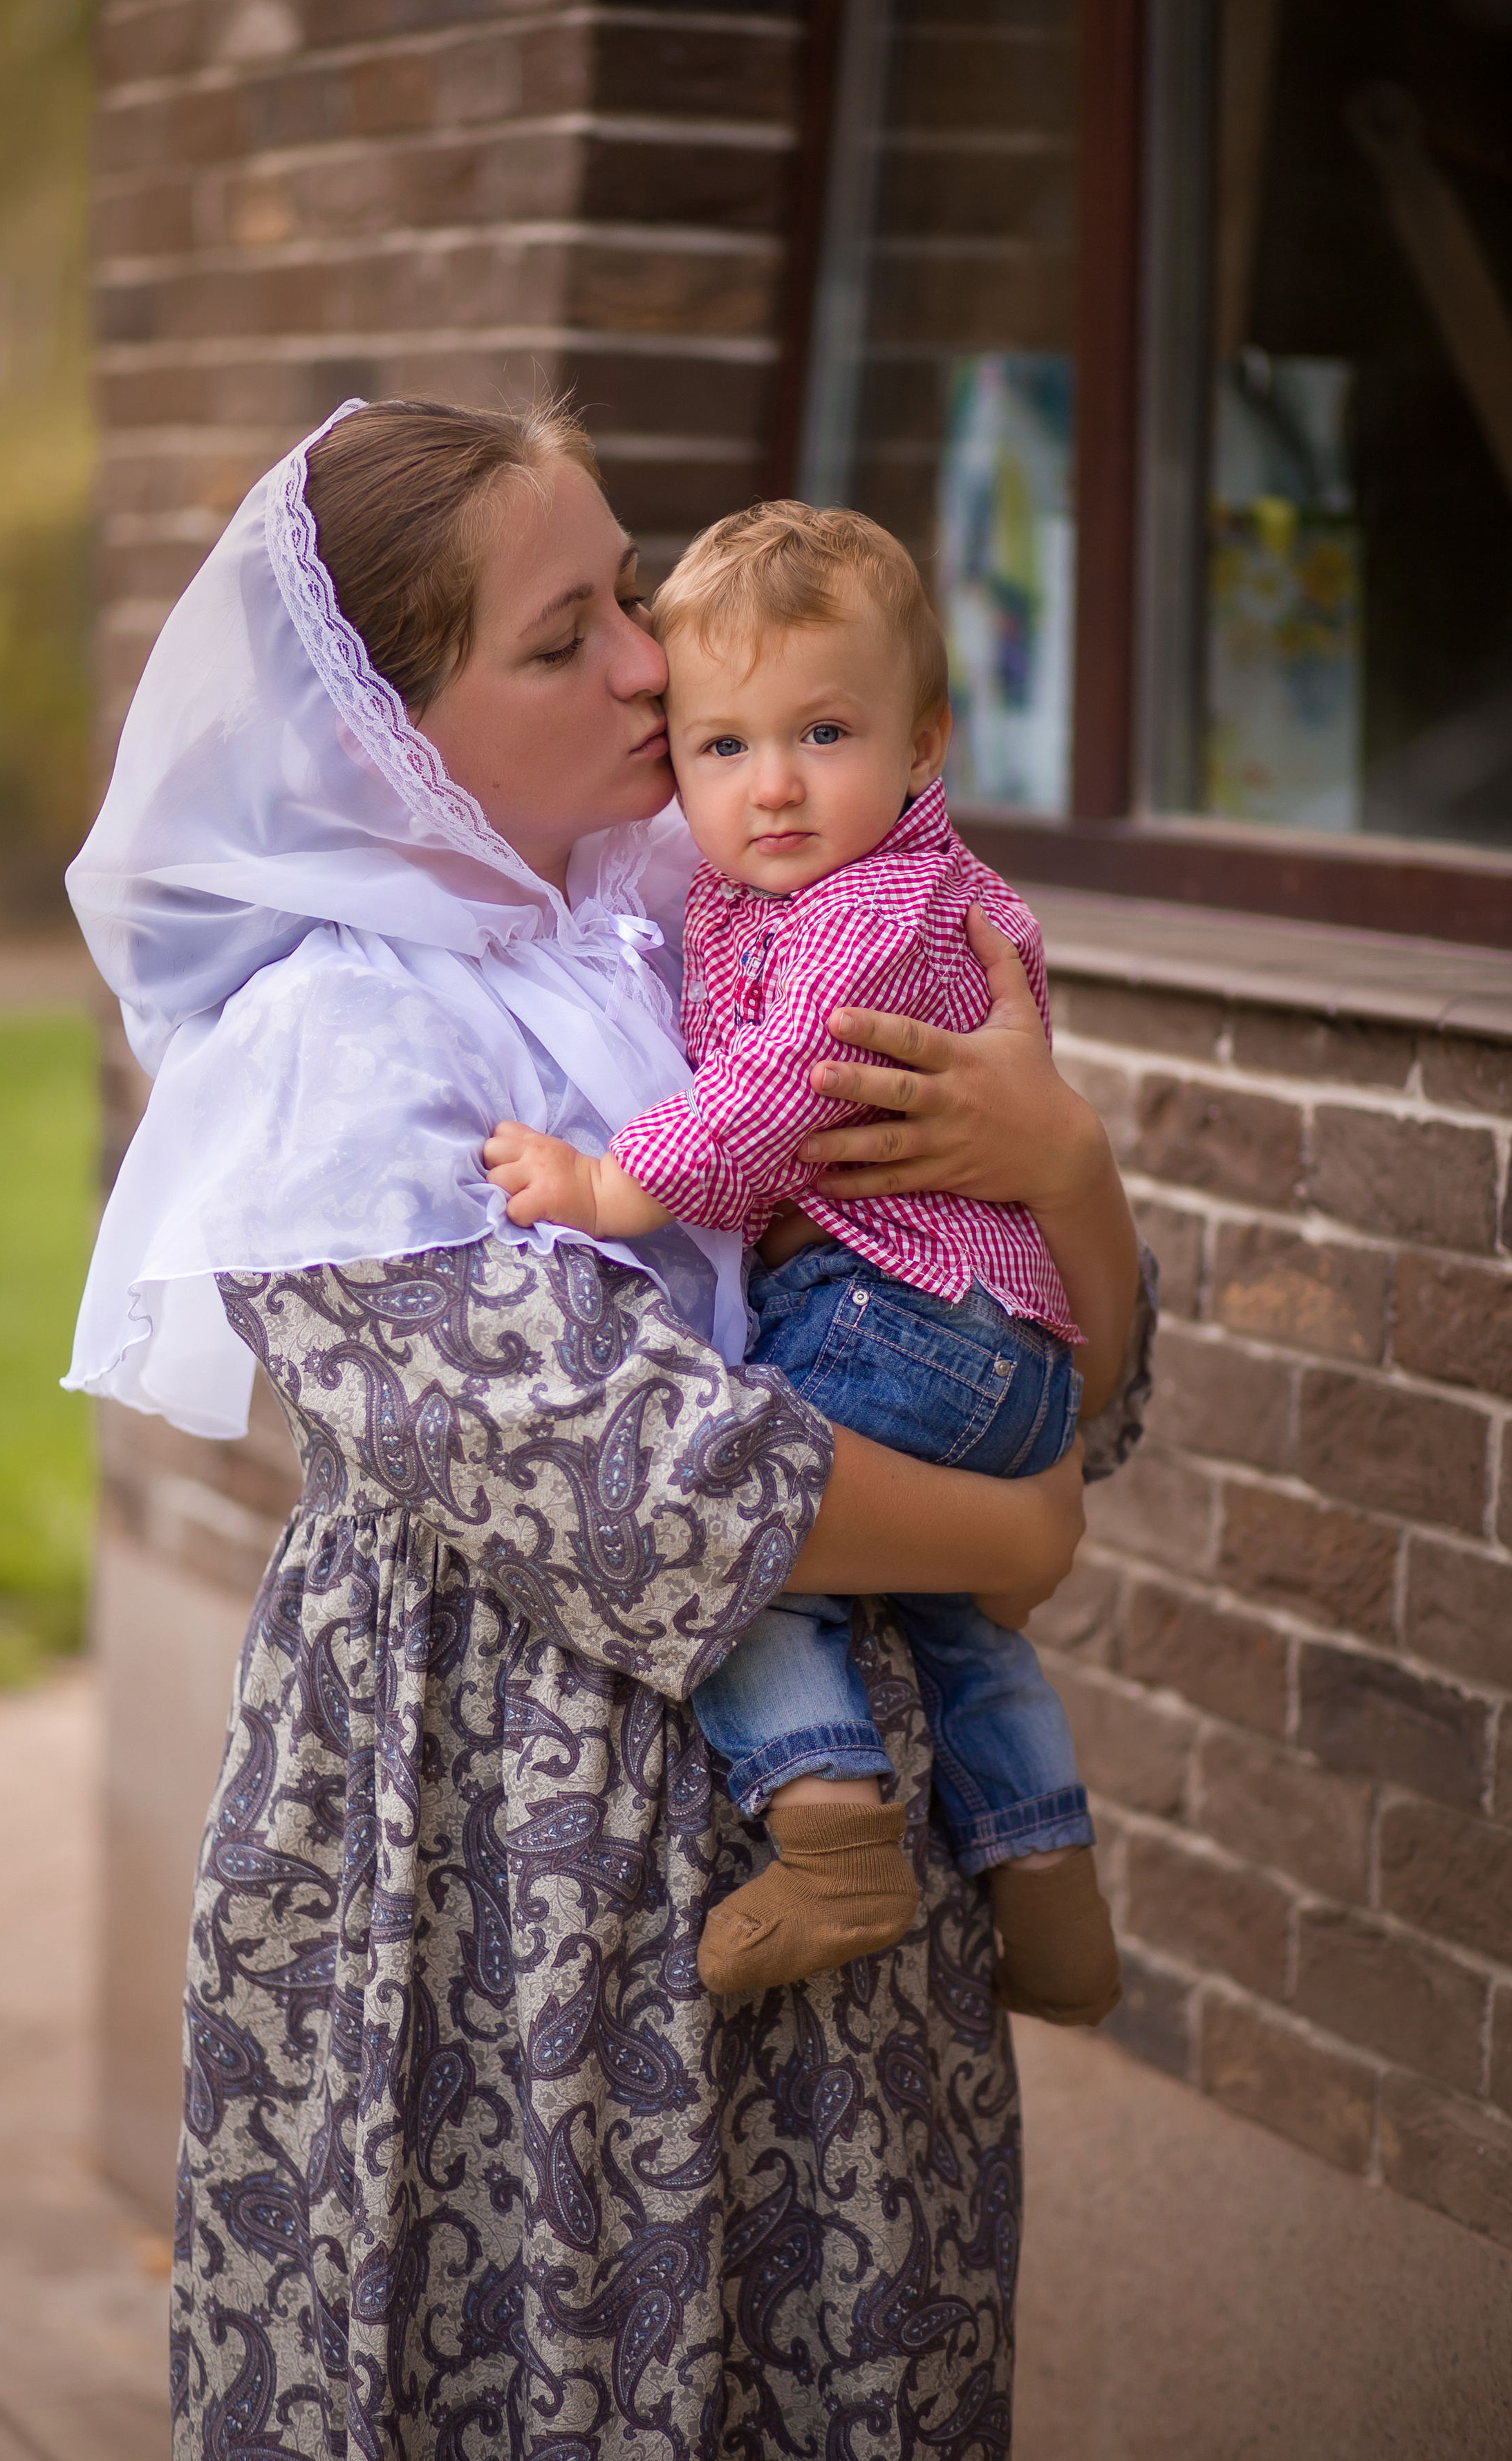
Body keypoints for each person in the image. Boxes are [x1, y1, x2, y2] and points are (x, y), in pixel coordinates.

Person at [64, 394, 1152, 2461]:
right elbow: (642, 1489)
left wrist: (1066, 1163)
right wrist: (1010, 1542)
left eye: (630, 597)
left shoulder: (737, 916)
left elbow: (1072, 1352)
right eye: (565, 643)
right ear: (388, 732)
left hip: (847, 1878)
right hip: (518, 1871)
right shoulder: (332, 1061)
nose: (661, 669)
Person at [483, 503, 1123, 2022]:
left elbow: (773, 1094)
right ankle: (1046, 1880)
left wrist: (604, 1179)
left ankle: (829, 1834)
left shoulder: (872, 906)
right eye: (721, 748)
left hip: (902, 1314)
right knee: (948, 1613)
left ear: (923, 744)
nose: (770, 786)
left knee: (749, 1558)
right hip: (993, 1336)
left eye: (821, 732)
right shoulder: (774, 884)